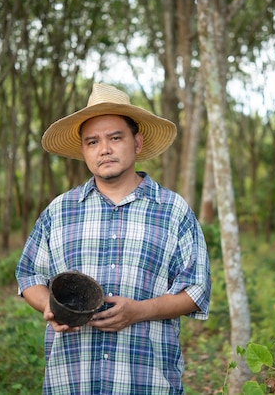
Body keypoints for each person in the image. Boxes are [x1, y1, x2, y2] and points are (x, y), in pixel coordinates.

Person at [15, 83, 211, 394]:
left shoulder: (173, 210)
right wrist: (48, 307)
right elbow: (28, 275)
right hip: (71, 380)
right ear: (84, 151)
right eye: (92, 141)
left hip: (146, 381)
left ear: (137, 141)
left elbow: (196, 291)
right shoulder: (60, 210)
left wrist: (140, 311)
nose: (104, 149)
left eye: (115, 137)